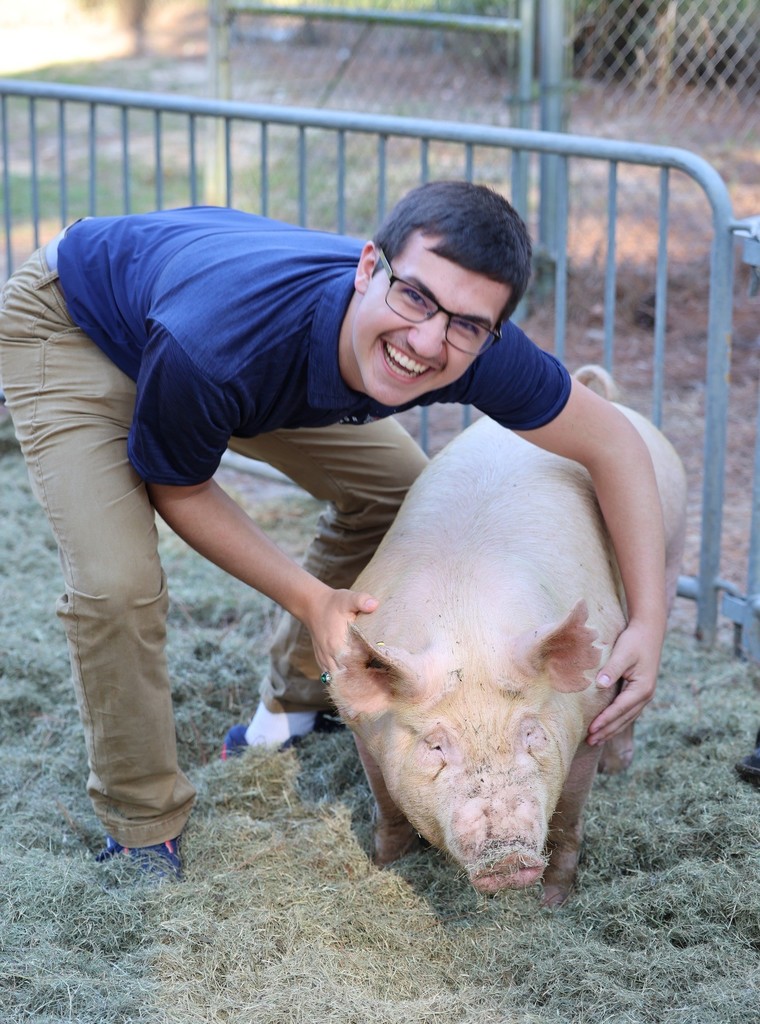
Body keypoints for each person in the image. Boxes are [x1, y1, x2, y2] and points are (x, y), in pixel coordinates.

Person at [0, 181, 667, 878]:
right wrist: (310, 598)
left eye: (467, 325)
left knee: (400, 495)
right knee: (117, 584)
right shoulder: (220, 345)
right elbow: (181, 489)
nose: (426, 339)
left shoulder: (466, 344)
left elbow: (614, 445)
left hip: (190, 318)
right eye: (414, 296)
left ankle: (292, 704)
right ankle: (141, 825)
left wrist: (648, 621)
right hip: (75, 325)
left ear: (492, 333)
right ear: (368, 267)